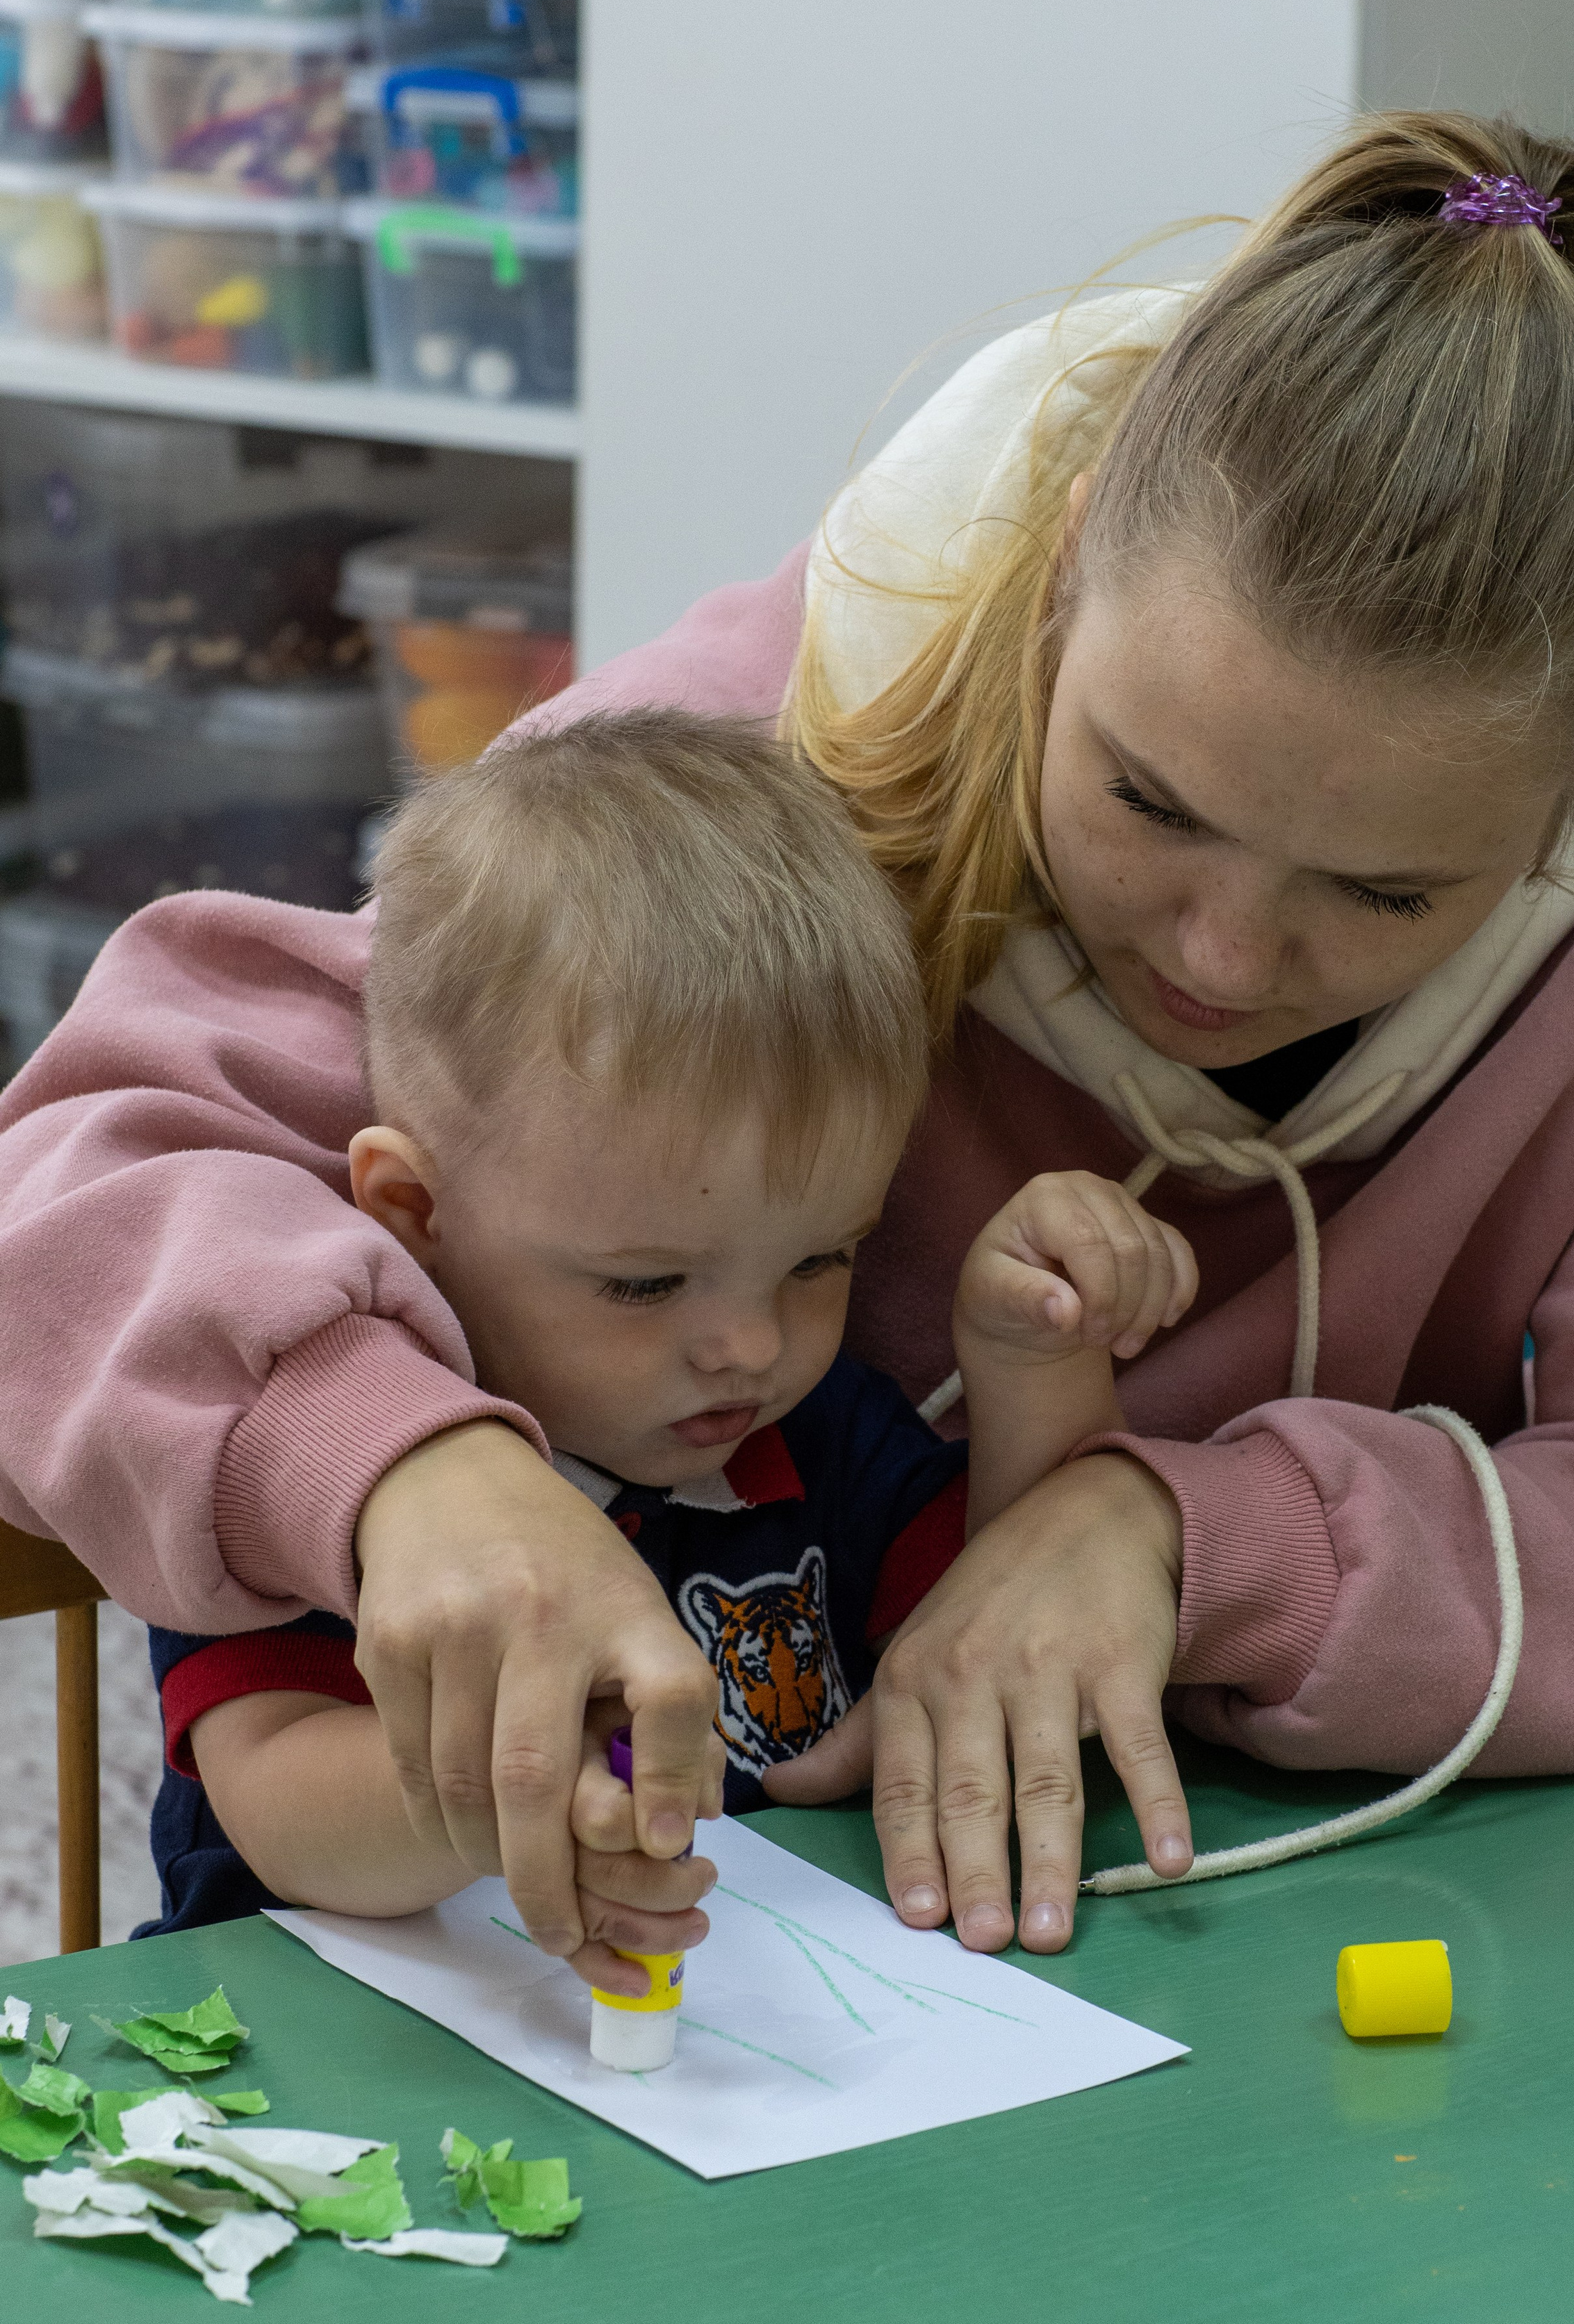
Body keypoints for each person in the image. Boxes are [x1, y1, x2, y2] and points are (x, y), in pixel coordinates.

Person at [2, 110, 1574, 1969]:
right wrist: (403, 1466)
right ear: (1072, 564)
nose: (1226, 955)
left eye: (1390, 896)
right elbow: (80, 1179)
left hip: (1281, 1935)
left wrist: (1193, 1541)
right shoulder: (774, 749)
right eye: (1149, 803)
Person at [138, 708, 1193, 1960]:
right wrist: (524, 1791)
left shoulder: (818, 1433)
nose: (749, 1346)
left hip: (747, 2055)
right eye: (646, 1286)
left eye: (820, 1259)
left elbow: (981, 1653)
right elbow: (275, 1798)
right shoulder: (339, 1478)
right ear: (414, 1214)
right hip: (344, 2056)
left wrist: (1037, 1366)